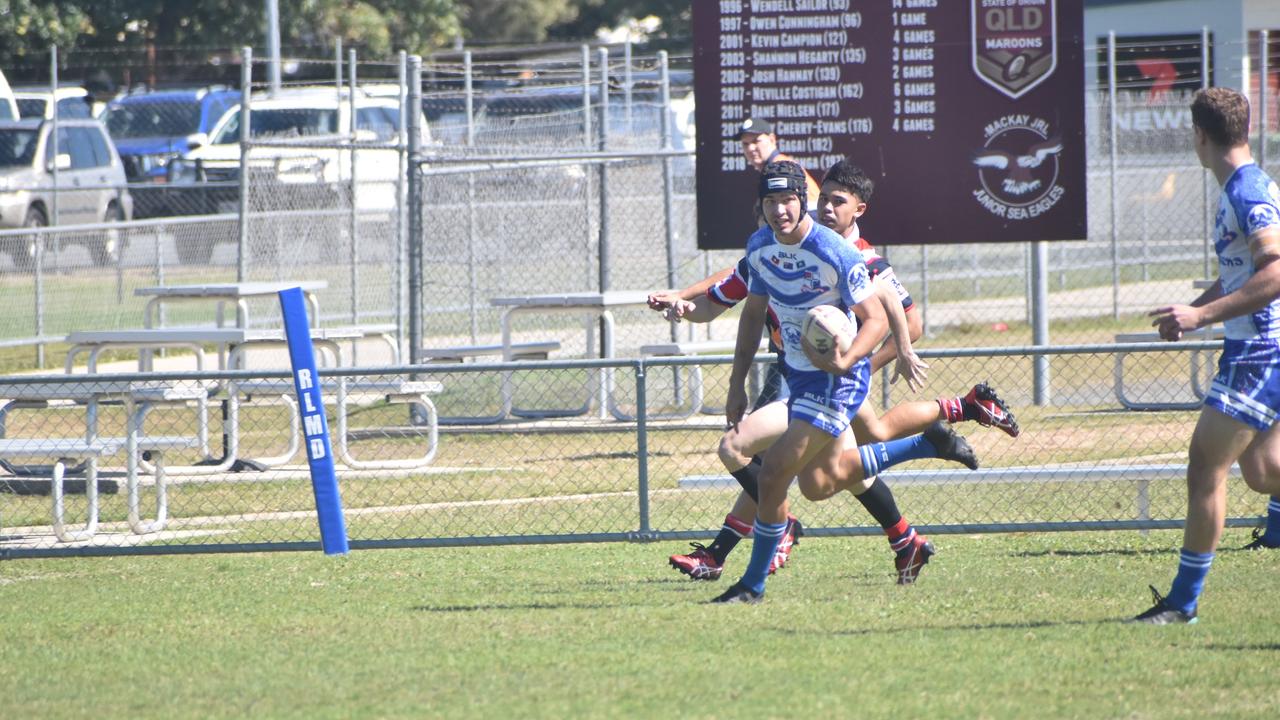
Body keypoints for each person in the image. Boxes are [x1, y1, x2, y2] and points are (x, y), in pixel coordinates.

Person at [651, 158, 1019, 585]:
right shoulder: (769, 248)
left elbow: (895, 311)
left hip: (829, 374)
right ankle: (910, 527)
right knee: (827, 477)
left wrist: (876, 356)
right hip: (797, 369)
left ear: (855, 209)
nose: (824, 208)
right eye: (821, 198)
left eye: (832, 201)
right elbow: (733, 287)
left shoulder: (852, 254)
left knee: (754, 454)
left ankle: (735, 559)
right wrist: (683, 300)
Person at [1131, 86, 1280, 624]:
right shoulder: (1241, 187)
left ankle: (1183, 603)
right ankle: (1183, 602)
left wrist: (1201, 318)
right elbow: (1241, 273)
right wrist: (1195, 307)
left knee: (1204, 469)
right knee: (1264, 471)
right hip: (1253, 347)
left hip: (1260, 350)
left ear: (1199, 135)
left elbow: (1274, 272)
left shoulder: (1247, 191)